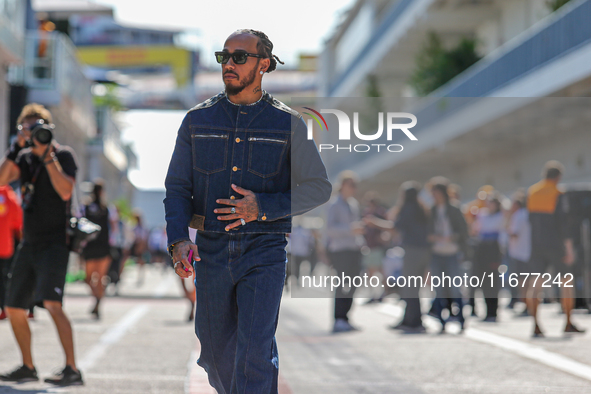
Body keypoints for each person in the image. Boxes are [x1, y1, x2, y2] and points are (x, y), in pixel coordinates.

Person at [164, 29, 331, 393]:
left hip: (264, 250)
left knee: (254, 354)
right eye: (224, 56)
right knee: (213, 354)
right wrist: (178, 239)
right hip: (211, 250)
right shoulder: (196, 121)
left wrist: (263, 207)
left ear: (263, 65)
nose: (229, 64)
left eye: (240, 57)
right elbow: (177, 188)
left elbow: (319, 187)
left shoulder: (288, 124)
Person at [0, 103, 83, 385]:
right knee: (13, 307)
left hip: (55, 242)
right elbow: (1, 180)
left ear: (47, 128)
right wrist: (15, 148)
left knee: (52, 303)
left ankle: (72, 369)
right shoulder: (22, 157)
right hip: (29, 243)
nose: (33, 133)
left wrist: (47, 157)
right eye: (27, 127)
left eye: (38, 127)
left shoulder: (63, 155)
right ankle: (27, 366)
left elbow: (65, 191)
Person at [526, 160, 584, 337]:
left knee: (535, 285)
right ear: (558, 177)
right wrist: (568, 249)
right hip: (556, 245)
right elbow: (563, 225)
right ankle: (567, 321)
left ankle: (535, 323)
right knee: (566, 283)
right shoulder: (559, 193)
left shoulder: (532, 192)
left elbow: (529, 221)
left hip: (536, 245)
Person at [325, 171, 365, 333]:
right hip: (340, 250)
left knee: (354, 283)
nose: (354, 188)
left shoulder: (353, 204)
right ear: (342, 185)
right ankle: (338, 318)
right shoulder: (334, 204)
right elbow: (330, 229)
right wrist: (350, 229)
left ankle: (346, 317)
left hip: (354, 248)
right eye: (351, 185)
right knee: (342, 284)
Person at [428, 180, 469, 333]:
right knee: (438, 288)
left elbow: (464, 231)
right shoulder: (431, 211)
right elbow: (427, 231)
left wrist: (454, 237)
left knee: (454, 288)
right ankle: (441, 321)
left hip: (452, 252)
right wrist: (431, 237)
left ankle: (461, 319)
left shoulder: (454, 209)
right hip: (436, 253)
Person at [81, 180, 112, 319]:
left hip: (91, 246)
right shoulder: (106, 208)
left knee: (90, 278)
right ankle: (98, 300)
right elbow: (114, 228)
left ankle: (97, 299)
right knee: (99, 278)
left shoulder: (86, 207)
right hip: (102, 246)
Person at [472, 193, 505, 322]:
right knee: (484, 282)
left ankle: (493, 311)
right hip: (482, 250)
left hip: (493, 250)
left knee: (493, 282)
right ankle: (487, 310)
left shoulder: (500, 216)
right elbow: (476, 229)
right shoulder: (482, 215)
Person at [0, 185, 23, 321]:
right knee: (6, 279)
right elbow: (18, 223)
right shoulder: (11, 198)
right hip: (6, 246)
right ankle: (6, 307)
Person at [506, 190, 531, 313]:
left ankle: (526, 303)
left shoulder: (517, 216)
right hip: (530, 251)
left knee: (522, 281)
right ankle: (530, 303)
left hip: (519, 252)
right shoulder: (530, 213)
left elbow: (514, 233)